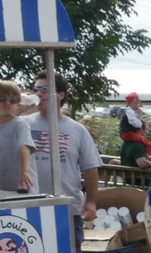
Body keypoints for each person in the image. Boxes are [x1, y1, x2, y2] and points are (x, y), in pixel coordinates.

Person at [28, 72, 100, 230]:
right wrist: (17, 110)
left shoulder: (77, 129)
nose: (39, 94)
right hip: (29, 207)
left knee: (70, 252)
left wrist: (91, 201)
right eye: (36, 90)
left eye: (45, 89)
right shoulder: (22, 124)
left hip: (68, 209)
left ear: (61, 95)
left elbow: (90, 168)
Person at [0, 80, 35, 194]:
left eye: (12, 100)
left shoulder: (20, 124)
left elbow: (24, 147)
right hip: (0, 186)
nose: (7, 103)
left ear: (18, 104)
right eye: (2, 99)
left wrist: (24, 172)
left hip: (22, 186)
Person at [117, 91, 151, 168]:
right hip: (127, 133)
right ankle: (147, 155)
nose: (137, 105)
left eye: (138, 103)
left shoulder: (125, 144)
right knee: (145, 141)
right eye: (135, 103)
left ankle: (147, 155)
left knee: (144, 141)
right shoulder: (129, 112)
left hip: (126, 176)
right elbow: (136, 124)